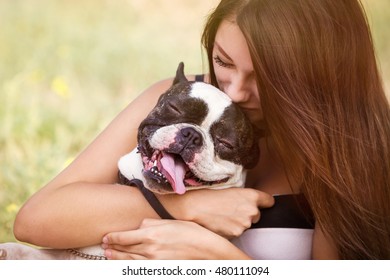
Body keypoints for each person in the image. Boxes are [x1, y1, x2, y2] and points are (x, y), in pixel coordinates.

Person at [12, 0, 390, 260]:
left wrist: (223, 261)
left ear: (320, 75)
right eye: (223, 61)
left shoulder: (351, 152)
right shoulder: (182, 97)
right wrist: (187, 205)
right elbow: (37, 220)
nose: (235, 91)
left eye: (266, 79)